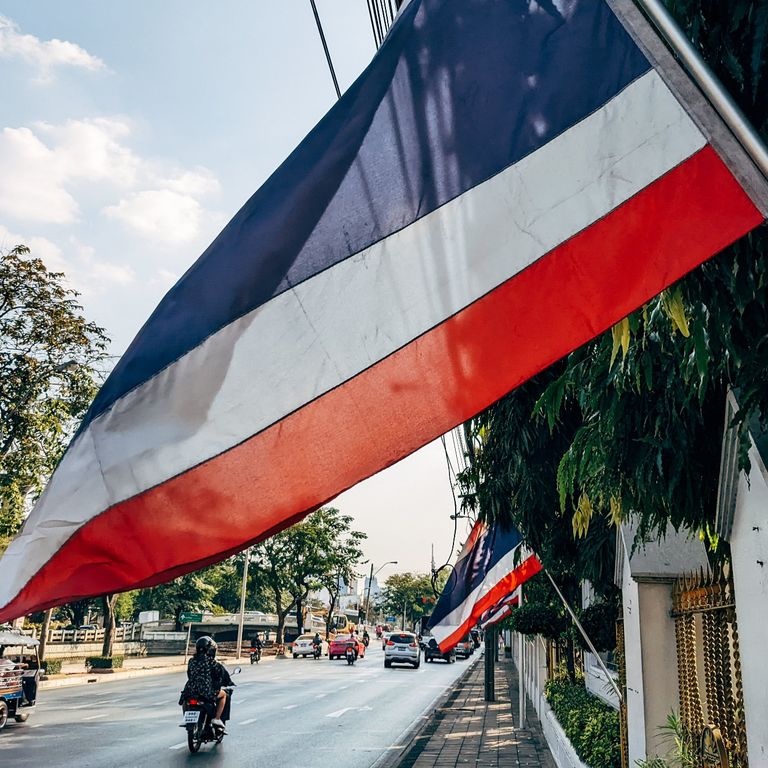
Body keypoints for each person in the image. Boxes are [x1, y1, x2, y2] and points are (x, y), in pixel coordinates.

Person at [182, 636, 226, 729]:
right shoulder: (212, 662)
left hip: (191, 689)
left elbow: (189, 674)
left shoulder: (191, 661)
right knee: (223, 695)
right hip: (206, 691)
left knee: (185, 698)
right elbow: (219, 676)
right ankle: (217, 718)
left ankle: (186, 719)